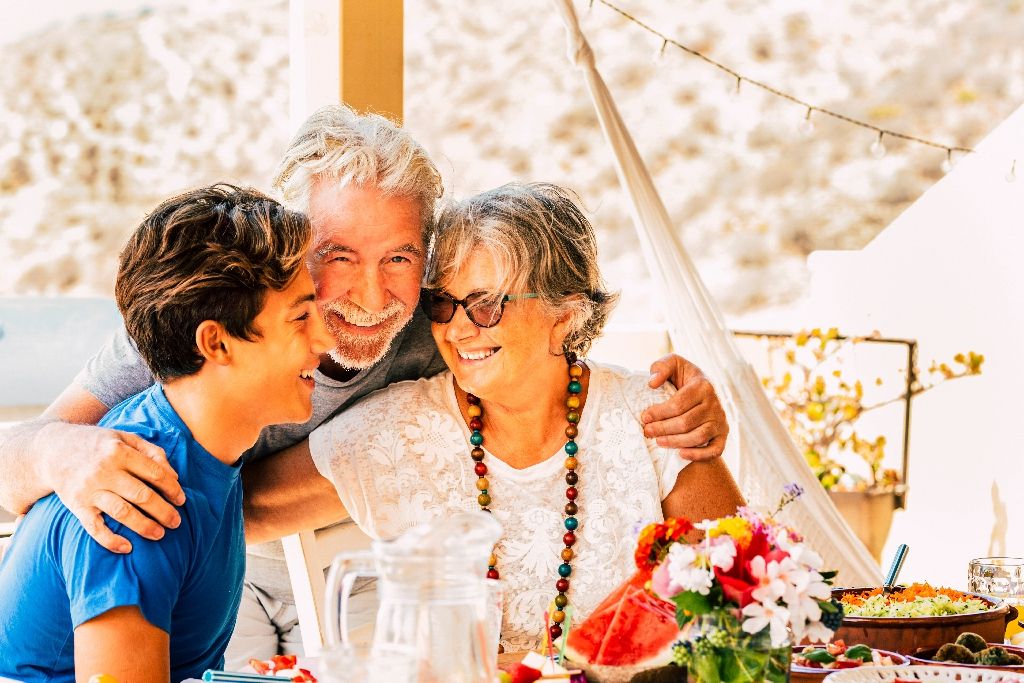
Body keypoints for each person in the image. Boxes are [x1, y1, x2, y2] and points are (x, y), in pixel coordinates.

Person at [0, 105, 729, 663]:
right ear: (290, 245)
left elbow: (533, 340)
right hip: (199, 551)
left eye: (401, 258)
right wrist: (64, 455)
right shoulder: (192, 327)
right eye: (336, 255)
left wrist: (684, 399)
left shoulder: (440, 323)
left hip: (344, 546)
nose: (370, 294)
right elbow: (15, 465)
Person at [246, 182, 746, 650]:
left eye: (486, 306)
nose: (458, 330)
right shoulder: (397, 431)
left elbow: (746, 599)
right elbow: (243, 508)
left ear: (565, 317)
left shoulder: (656, 418)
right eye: (443, 303)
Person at [0, 185, 332, 682]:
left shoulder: (203, 448)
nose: (325, 341)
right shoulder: (140, 502)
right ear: (216, 342)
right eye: (300, 318)